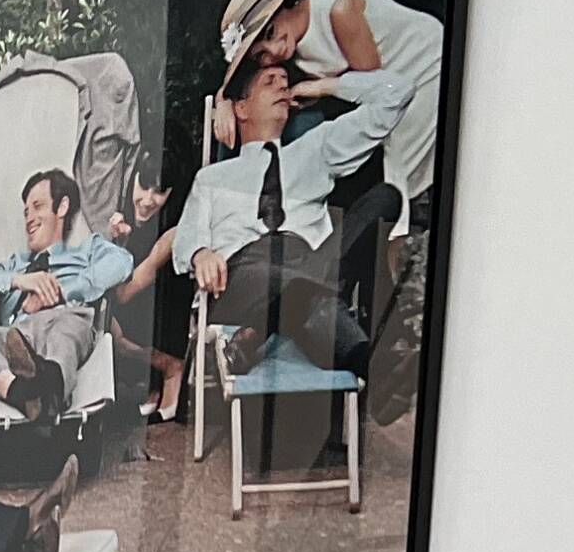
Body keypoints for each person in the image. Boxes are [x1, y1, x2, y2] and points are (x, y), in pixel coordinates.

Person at [166, 54, 411, 375]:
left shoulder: (317, 148)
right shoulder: (212, 178)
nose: (282, 87)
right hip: (243, 275)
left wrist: (323, 86)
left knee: (385, 197)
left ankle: (254, 334)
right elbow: (185, 242)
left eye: (286, 82)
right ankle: (377, 370)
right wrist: (200, 254)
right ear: (241, 108)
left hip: (310, 259)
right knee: (314, 291)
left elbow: (398, 93)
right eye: (270, 83)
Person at [220, 0, 445, 213]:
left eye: (270, 32)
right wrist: (223, 101)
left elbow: (373, 88)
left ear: (282, 7)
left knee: (400, 171)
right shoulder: (290, 43)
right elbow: (244, 84)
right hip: (392, 88)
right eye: (261, 55)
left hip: (423, 67)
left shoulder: (339, 11)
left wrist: (320, 88)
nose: (274, 50)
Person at [0, 169, 136, 415]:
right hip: (13, 337)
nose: (29, 218)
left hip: (62, 318)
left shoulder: (85, 251)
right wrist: (21, 281)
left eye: (38, 206)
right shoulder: (16, 265)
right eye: (26, 211)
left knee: (67, 327)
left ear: (62, 207)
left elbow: (121, 262)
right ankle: (22, 393)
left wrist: (58, 292)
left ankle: (49, 391)